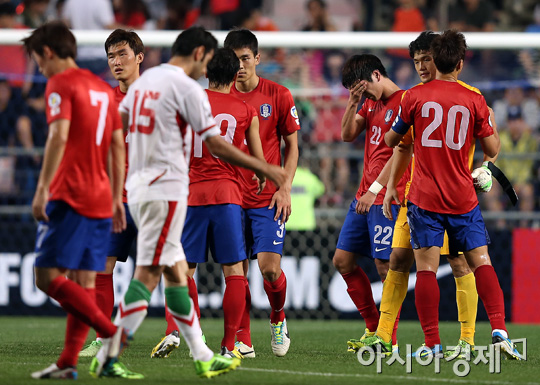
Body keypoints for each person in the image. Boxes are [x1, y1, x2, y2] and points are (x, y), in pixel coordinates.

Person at [91, 26, 287, 378]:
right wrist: (264, 167)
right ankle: (110, 351)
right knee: (153, 274)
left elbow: (114, 125)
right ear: (199, 54)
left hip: (145, 191)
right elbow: (217, 145)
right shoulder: (185, 89)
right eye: (208, 59)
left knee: (175, 274)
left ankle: (199, 352)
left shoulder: (150, 80)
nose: (208, 69)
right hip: (164, 193)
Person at [382, 29, 522, 360]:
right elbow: (492, 148)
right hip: (462, 197)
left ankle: (431, 344)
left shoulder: (413, 96)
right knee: (481, 263)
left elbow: (391, 141)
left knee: (427, 270)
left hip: (425, 198)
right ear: (459, 63)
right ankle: (499, 330)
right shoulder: (474, 98)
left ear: (436, 60)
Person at [361, 30, 487, 359]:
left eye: (426, 60)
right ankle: (384, 335)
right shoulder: (414, 97)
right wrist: (389, 189)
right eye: (416, 61)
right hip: (415, 197)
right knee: (397, 258)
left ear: (441, 59)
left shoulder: (452, 96)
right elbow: (403, 148)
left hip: (447, 198)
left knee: (459, 264)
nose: (420, 66)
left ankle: (467, 341)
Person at [23, 21, 128, 379]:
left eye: (38, 60)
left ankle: (111, 332)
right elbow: (117, 145)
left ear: (49, 52)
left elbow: (57, 137)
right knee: (84, 282)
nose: (39, 68)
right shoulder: (101, 88)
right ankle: (68, 362)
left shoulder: (61, 83)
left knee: (45, 276)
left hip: (71, 194)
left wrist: (41, 189)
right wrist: (116, 197)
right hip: (101, 196)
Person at [151, 47, 267, 359]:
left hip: (191, 196)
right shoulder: (246, 111)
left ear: (205, 73)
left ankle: (190, 331)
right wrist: (259, 176)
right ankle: (230, 346)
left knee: (184, 272)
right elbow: (258, 160)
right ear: (234, 76)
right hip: (228, 197)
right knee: (234, 272)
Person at [224, 28, 300, 358]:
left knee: (269, 269)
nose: (240, 66)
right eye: (234, 59)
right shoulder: (219, 96)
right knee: (236, 273)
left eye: (245, 58)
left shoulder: (279, 94)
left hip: (267, 198)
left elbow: (292, 145)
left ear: (257, 58)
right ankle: (243, 338)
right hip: (229, 196)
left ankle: (278, 317)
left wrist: (285, 188)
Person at [335, 53, 409, 354]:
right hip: (363, 196)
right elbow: (346, 134)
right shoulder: (368, 102)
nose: (362, 95)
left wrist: (376, 189)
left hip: (386, 195)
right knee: (342, 260)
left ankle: (387, 338)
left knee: (384, 265)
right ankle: (372, 326)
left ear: (377, 75)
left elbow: (401, 152)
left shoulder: (405, 102)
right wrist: (353, 102)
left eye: (362, 89)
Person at [79, 29, 145, 360]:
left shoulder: (158, 97)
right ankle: (106, 337)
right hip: (113, 198)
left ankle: (180, 334)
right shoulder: (103, 100)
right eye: (110, 56)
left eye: (122, 54)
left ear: (139, 57)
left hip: (151, 197)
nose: (116, 62)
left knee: (174, 268)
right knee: (102, 267)